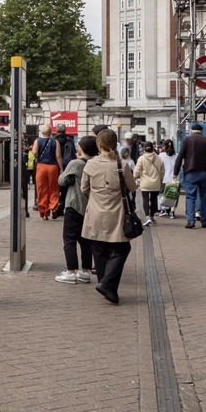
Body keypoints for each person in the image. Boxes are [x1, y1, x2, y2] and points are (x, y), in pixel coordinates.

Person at [82, 129, 138, 305]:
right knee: (121, 249)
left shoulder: (90, 164)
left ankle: (105, 285)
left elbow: (84, 188)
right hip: (116, 212)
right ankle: (107, 285)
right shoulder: (121, 165)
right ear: (115, 144)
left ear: (99, 144)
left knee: (98, 249)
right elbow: (132, 187)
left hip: (95, 212)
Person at [55, 135, 98, 283]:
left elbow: (61, 181)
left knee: (69, 240)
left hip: (74, 205)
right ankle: (85, 271)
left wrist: (67, 176)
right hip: (90, 207)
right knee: (85, 240)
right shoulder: (96, 163)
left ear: (82, 148)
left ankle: (71, 272)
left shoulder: (76, 163)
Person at [174, 123, 206, 229]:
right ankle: (204, 221)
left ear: (191, 131)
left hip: (191, 172)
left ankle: (191, 221)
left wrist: (175, 172)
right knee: (204, 197)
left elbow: (180, 157)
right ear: (201, 131)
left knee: (190, 197)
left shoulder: (187, 140)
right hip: (205, 173)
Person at [30, 124, 63, 220]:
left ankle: (44, 213)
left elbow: (34, 152)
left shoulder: (37, 140)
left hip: (41, 166)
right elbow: (58, 156)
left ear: (42, 132)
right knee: (54, 188)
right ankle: (53, 207)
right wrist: (61, 169)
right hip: (53, 167)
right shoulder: (55, 141)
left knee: (42, 189)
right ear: (50, 132)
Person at [135, 142, 164, 224]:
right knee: (154, 200)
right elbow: (162, 171)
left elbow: (137, 171)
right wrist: (161, 180)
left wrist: (136, 177)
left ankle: (147, 217)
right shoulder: (159, 158)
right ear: (153, 148)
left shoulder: (141, 158)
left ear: (144, 149)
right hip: (156, 183)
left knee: (145, 200)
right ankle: (152, 216)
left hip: (145, 183)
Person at [54, 129, 76, 219]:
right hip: (67, 167)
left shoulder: (53, 140)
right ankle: (62, 208)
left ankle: (54, 208)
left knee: (55, 189)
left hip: (55, 167)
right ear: (65, 130)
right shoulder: (69, 141)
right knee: (65, 189)